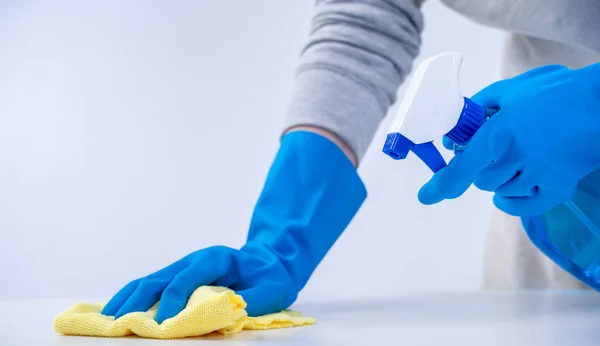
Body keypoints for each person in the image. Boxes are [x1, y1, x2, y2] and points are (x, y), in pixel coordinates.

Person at [102, 0, 600, 323]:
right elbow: (366, 18)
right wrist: (285, 235)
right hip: (552, 205)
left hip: (554, 134)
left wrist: (589, 103)